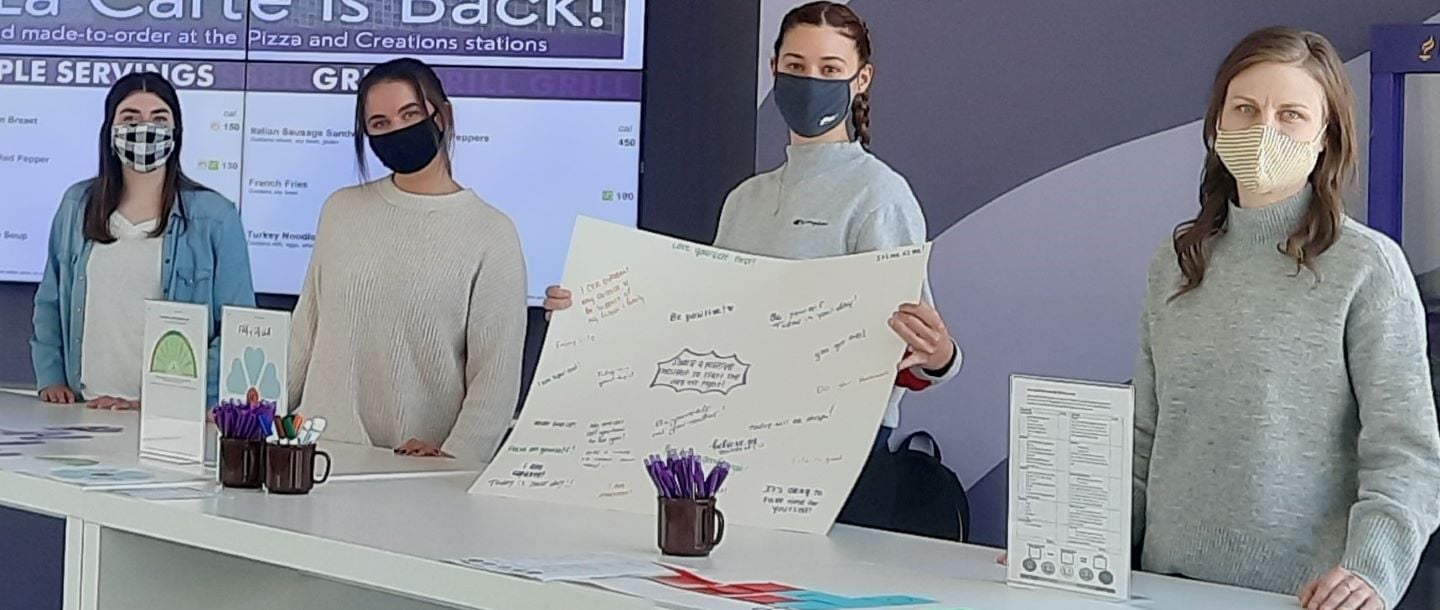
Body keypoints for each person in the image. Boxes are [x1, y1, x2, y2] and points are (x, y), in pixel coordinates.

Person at [544, 1, 960, 449]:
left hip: (836, 440)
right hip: (735, 427)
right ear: (774, 69)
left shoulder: (879, 195)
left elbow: (915, 351)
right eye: (796, 65)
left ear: (861, 80)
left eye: (829, 68)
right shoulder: (745, 201)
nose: (810, 82)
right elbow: (705, 323)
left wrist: (940, 358)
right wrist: (591, 315)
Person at [1131, 27, 1440, 610]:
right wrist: (1067, 539)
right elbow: (1143, 438)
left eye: (1291, 114)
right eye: (1244, 109)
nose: (1263, 129)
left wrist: (1373, 570)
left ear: (1325, 137)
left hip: (1304, 599)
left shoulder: (1367, 267)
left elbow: (1405, 450)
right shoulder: (1174, 264)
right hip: (1163, 587)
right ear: (1218, 125)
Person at [287, 58, 526, 463]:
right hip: (318, 458)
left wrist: (454, 461)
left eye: (410, 114)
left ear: (442, 115)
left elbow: (495, 378)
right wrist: (250, 415)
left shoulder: (492, 234)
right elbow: (305, 328)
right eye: (379, 123)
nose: (397, 129)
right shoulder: (340, 210)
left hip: (414, 475)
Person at [31, 72, 255, 411]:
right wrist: (52, 378)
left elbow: (238, 328)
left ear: (176, 132)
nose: (145, 127)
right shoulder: (77, 205)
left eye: (159, 118)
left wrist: (164, 396)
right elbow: (50, 300)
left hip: (171, 416)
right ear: (110, 130)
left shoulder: (216, 217)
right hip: (81, 411)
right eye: (130, 117)